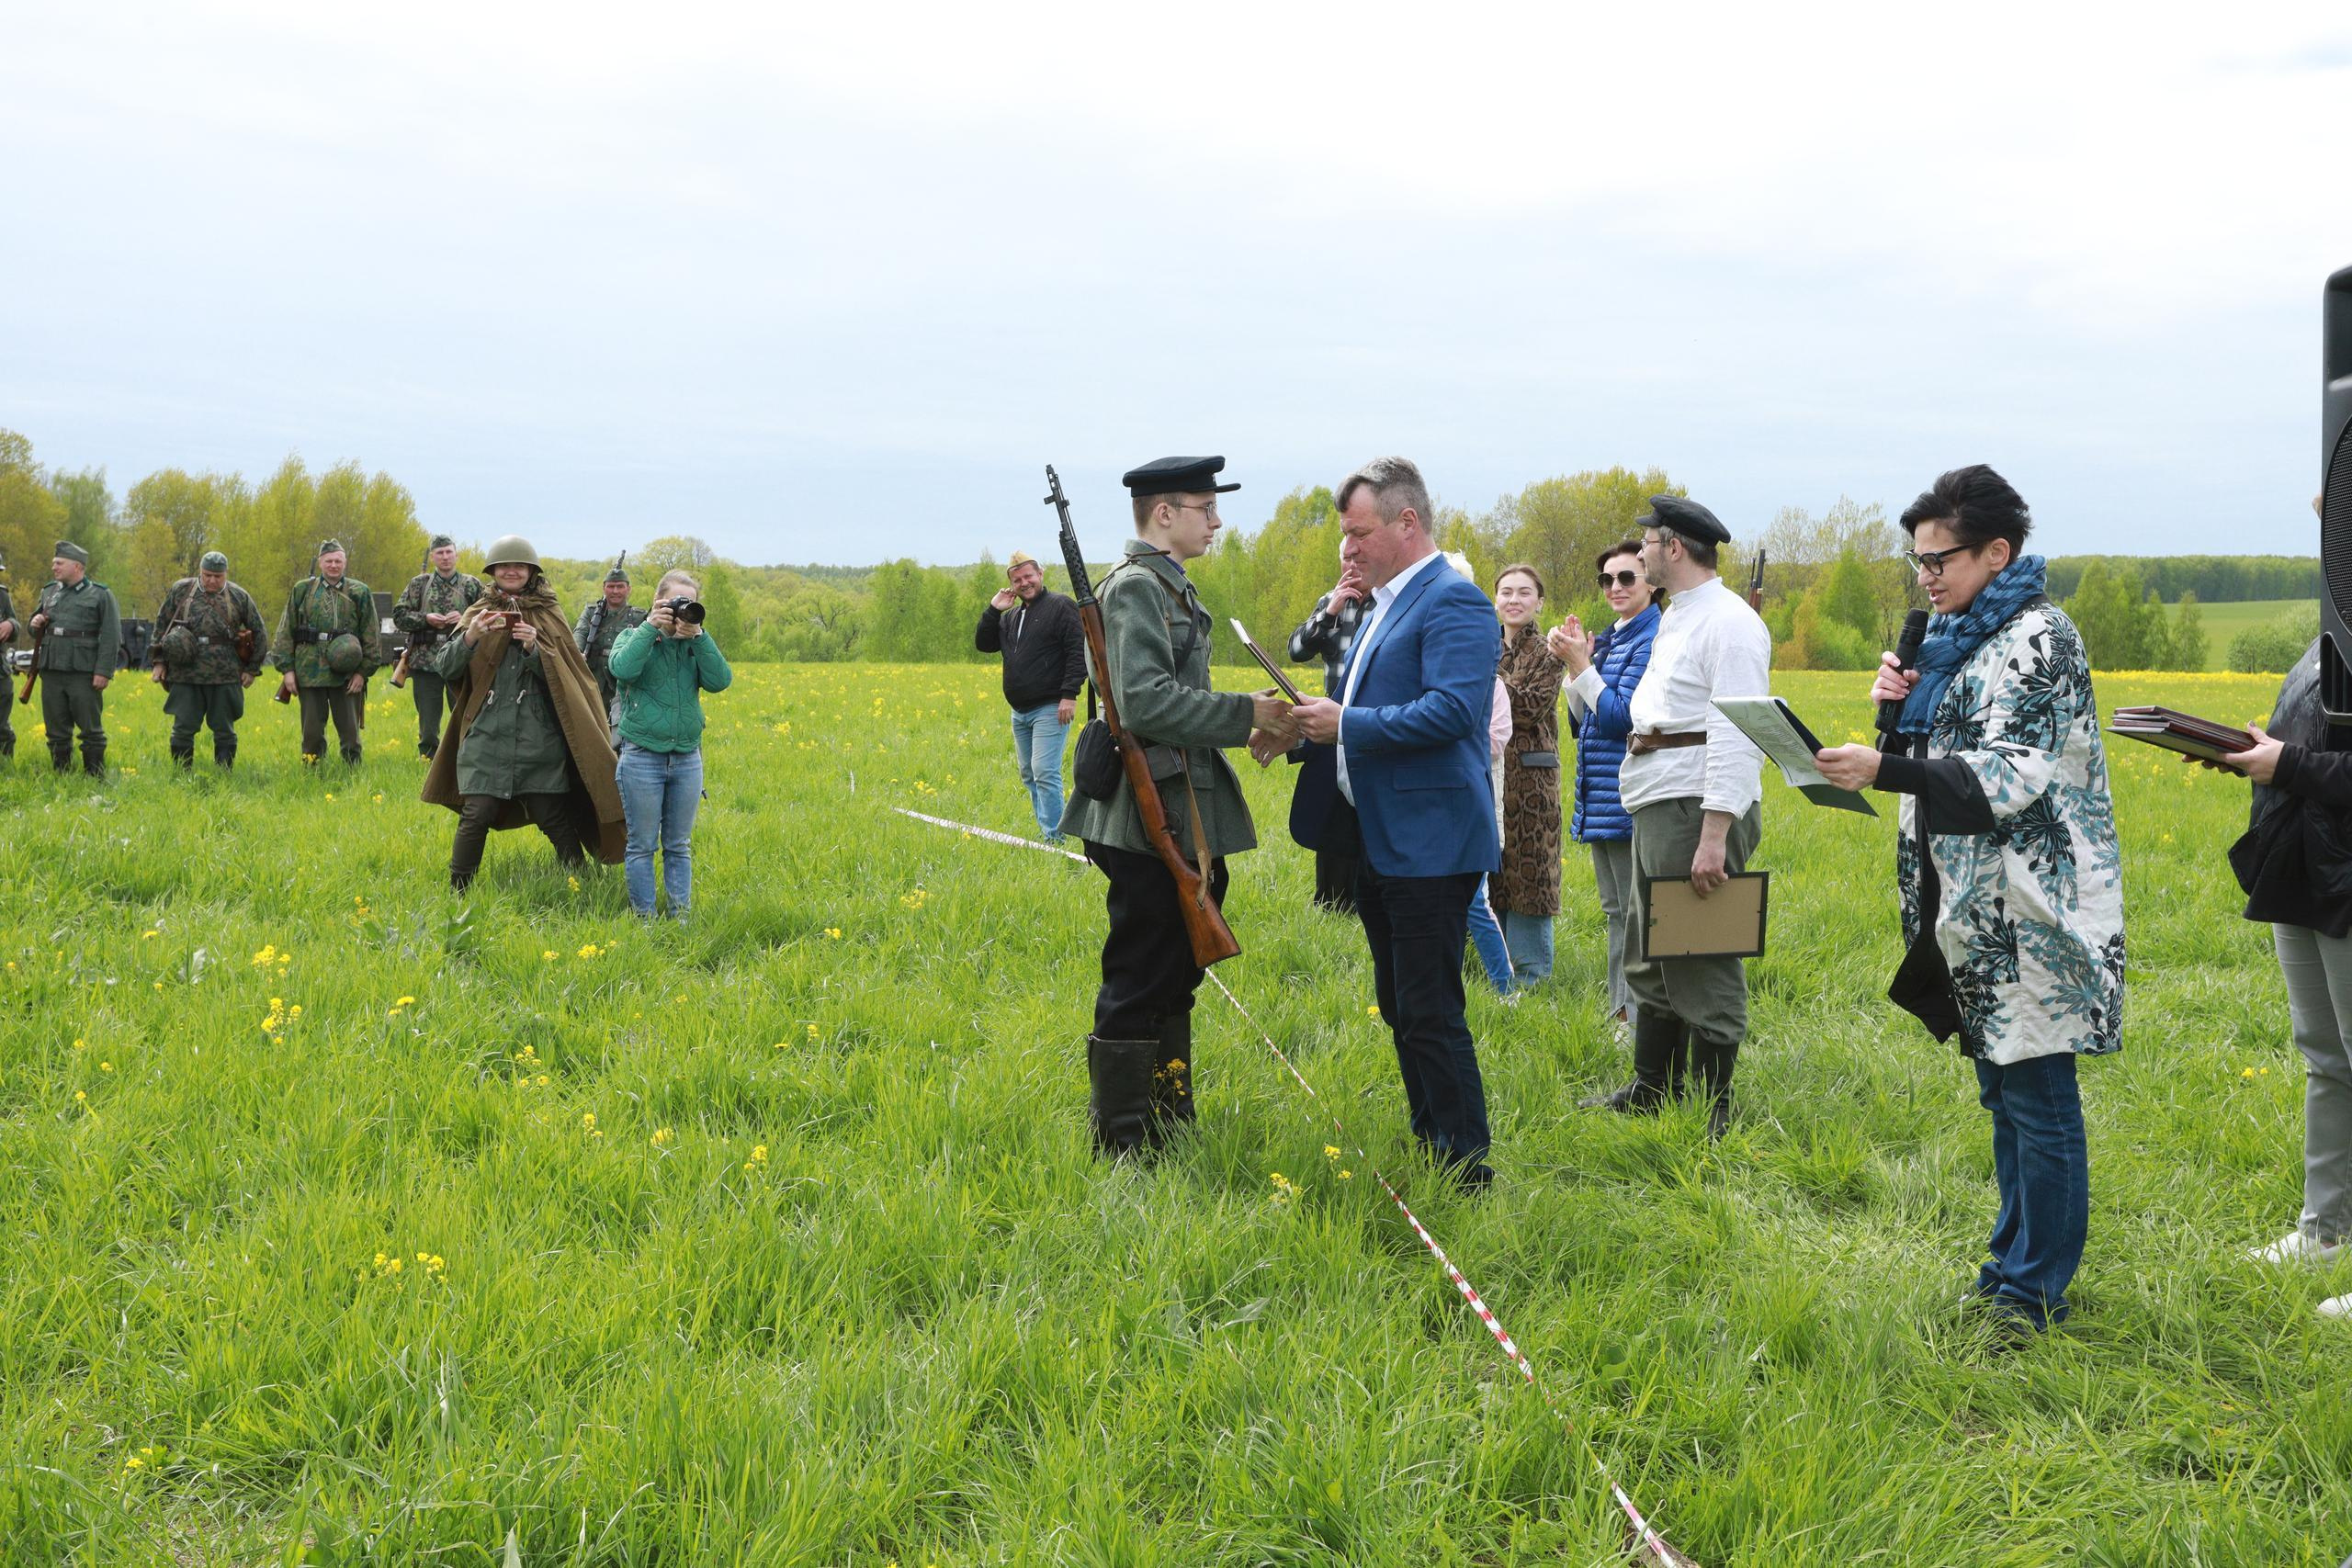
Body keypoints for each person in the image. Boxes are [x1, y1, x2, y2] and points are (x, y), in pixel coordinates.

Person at [1815, 464, 2123, 1339]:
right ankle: (2009, 1266)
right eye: (1917, 560)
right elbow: (1944, 754)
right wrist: (1902, 717)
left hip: (2030, 911)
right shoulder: (1956, 641)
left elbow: (2007, 778)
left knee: (2038, 1097)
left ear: (1998, 551)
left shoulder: (2037, 636)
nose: (1926, 576)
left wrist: (1886, 766)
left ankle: (2034, 1294)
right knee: (2002, 1094)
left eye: (1941, 558)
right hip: (1970, 908)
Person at [1059, 455, 1295, 1157]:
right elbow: (1144, 701)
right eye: (1204, 506)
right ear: (1165, 514)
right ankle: (1123, 1142)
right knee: (1140, 970)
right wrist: (1243, 712)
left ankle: (1169, 1117)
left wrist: (1244, 724)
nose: (1217, 520)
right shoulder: (1136, 588)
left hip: (1174, 800)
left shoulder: (1169, 585)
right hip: (1142, 815)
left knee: (1174, 969)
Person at [1283, 457, 1500, 1188]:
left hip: (1432, 841)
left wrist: (1344, 722)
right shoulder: (1381, 603)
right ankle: (1431, 1136)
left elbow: (1451, 711)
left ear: (1407, 523)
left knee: (1431, 1007)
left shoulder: (1455, 601)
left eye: (1360, 532)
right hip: (1379, 835)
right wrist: (1301, 729)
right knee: (1402, 1003)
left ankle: (1466, 1164)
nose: (1350, 549)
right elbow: (1353, 707)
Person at [1580, 497, 1769, 1135]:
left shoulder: (1730, 623)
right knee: (1649, 950)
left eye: (1647, 543)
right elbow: (1648, 714)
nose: (1639, 555)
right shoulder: (1678, 618)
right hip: (1659, 800)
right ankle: (1653, 1087)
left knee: (1701, 951)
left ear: (1675, 547)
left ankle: (1715, 1105)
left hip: (1696, 806)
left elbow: (1739, 733)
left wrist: (1714, 833)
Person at [2206, 619, 2352, 1319]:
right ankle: (2324, 1235)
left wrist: (2285, 765)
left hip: (2347, 877)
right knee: (2325, 1059)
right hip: (2302, 868)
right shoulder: (2332, 619)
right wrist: (2245, 755)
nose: (2320, 506)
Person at [423, 536, 626, 892]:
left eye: (519, 566)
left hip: (538, 734)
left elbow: (569, 677)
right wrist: (470, 637)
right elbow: (444, 667)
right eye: (504, 566)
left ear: (531, 571)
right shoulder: (478, 612)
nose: (511, 571)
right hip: (487, 733)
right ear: (494, 572)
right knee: (476, 813)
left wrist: (535, 647)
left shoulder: (548, 612)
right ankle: (457, 891)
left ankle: (583, 884)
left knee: (552, 813)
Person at [1555, 541, 1663, 1034]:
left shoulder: (1650, 638)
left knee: (1635, 916)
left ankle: (1635, 1020)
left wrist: (1583, 666)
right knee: (1617, 912)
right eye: (1607, 580)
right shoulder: (1619, 639)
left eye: (1627, 578)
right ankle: (1621, 1013)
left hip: (1627, 795)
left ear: (1652, 583)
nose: (1615, 587)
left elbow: (1623, 719)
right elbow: (1585, 724)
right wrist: (1577, 671)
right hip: (1601, 793)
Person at [608, 569, 733, 920]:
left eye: (689, 604)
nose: (682, 610)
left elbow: (721, 681)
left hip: (686, 759)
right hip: (642, 757)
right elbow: (621, 669)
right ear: (658, 602)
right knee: (642, 845)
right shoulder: (633, 636)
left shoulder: (694, 644)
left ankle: (681, 918)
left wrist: (700, 637)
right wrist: (652, 628)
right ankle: (645, 920)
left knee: (678, 846)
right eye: (676, 603)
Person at [975, 549, 1086, 841]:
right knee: (1029, 773)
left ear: (1040, 574)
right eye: (1017, 579)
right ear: (1011, 585)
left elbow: (1078, 650)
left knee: (1044, 771)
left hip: (1051, 706)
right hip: (1020, 711)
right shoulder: (1012, 616)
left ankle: (1055, 838)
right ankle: (1047, 832)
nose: (1024, 583)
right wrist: (994, 609)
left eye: (1028, 576)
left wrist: (1069, 694)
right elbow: (984, 644)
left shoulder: (1061, 606)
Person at [1491, 562, 1567, 984]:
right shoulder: (1485, 646)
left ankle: (1532, 976)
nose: (1514, 600)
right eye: (1506, 592)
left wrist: (1485, 679)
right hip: (1489, 776)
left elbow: (1528, 706)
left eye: (1524, 592)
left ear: (1539, 602)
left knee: (1532, 872)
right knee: (1495, 869)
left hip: (1532, 783)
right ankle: (1496, 971)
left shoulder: (1549, 651)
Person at [1287, 536, 1368, 911]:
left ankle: (1363, 897)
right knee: (1331, 814)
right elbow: (1297, 650)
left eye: (1357, 556)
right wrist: (1329, 613)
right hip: (1330, 725)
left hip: (1369, 724)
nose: (1351, 564)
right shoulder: (1331, 603)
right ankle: (1330, 900)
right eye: (1345, 558)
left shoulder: (1390, 603)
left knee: (1364, 818)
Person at [149, 550, 267, 769]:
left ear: (225, 574)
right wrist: (158, 662)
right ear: (200, 572)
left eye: (217, 576)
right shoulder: (181, 590)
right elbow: (161, 626)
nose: (212, 580)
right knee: (183, 727)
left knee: (224, 728)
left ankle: (223, 773)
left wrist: (252, 669)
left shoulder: (239, 596)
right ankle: (182, 773)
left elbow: (259, 632)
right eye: (207, 575)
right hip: (185, 672)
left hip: (225, 674)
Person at [272, 539, 380, 764]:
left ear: (345, 562)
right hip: (309, 671)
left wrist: (362, 673)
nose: (333, 565)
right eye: (329, 561)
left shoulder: (359, 591)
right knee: (311, 733)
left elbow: (371, 635)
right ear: (320, 562)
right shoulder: (303, 590)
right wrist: (287, 670)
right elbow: (285, 631)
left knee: (350, 734)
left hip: (347, 673)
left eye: (338, 561)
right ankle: (312, 773)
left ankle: (353, 775)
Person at [28, 541, 122, 776]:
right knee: (56, 729)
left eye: (59, 563)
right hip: (51, 670)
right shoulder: (49, 592)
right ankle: (62, 775)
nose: (54, 567)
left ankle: (95, 776)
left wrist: (104, 671)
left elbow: (112, 636)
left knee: (90, 729)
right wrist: (34, 623)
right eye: (53, 563)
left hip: (83, 672)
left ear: (77, 566)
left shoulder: (100, 594)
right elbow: (33, 630)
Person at [394, 534, 485, 759]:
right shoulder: (419, 584)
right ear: (433, 557)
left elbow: (488, 615)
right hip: (426, 663)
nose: (445, 557)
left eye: (449, 552)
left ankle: (466, 758)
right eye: (440, 553)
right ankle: (428, 760)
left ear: (456, 555)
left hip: (461, 661)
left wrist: (464, 618)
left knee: (466, 715)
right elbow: (399, 616)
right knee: (428, 723)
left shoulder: (472, 585)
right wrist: (426, 619)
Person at [572, 563, 647, 728]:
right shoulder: (592, 612)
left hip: (623, 682)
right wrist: (577, 652)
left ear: (628, 589)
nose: (615, 591)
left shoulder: (638, 617)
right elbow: (581, 631)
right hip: (594, 679)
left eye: (620, 586)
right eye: (611, 586)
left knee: (621, 727)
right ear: (604, 588)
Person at [0, 554, 18, 761]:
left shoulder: (2, 596)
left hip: (0, 670)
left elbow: (16, 626)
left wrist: (11, 624)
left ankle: (5, 766)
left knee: (2, 726)